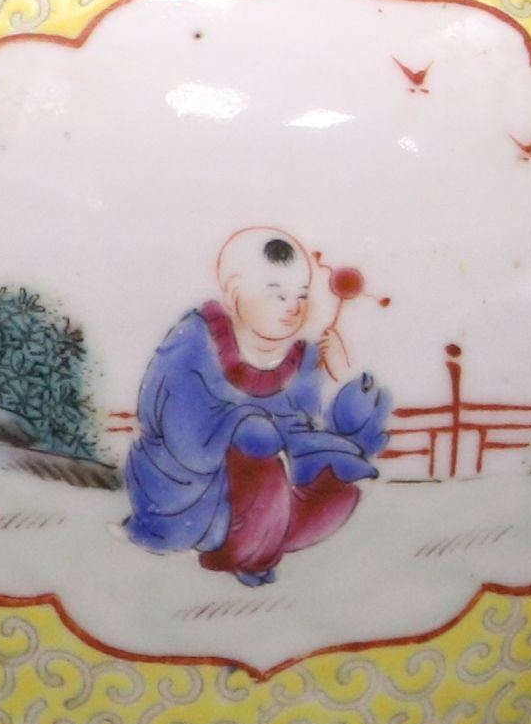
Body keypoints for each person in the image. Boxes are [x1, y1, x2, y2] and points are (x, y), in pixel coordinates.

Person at [120, 227, 390, 585]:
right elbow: (177, 427)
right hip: (194, 486)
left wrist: (343, 380)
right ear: (234, 293)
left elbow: (302, 427)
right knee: (259, 452)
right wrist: (243, 425)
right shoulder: (196, 341)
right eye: (277, 295)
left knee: (339, 481)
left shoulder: (303, 355)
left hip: (272, 489)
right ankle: (244, 552)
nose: (294, 308)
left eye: (302, 295)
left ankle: (265, 540)